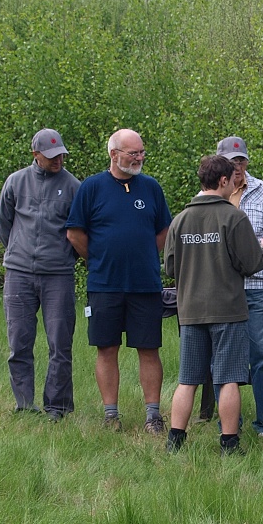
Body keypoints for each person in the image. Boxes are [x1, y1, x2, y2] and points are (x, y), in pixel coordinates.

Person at [66, 128, 173, 435]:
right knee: (106, 347)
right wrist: (99, 259)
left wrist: (141, 254)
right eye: (133, 153)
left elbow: (164, 230)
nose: (139, 158)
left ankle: (153, 416)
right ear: (114, 154)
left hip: (145, 285)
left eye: (141, 153)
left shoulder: (151, 188)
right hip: (105, 284)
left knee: (149, 348)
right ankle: (110, 415)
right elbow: (75, 233)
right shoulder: (92, 187)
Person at [164, 155, 263, 455]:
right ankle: (229, 443)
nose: (235, 184)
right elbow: (250, 263)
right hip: (227, 309)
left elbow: (171, 267)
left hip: (190, 311)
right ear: (223, 181)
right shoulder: (233, 217)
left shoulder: (181, 219)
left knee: (188, 379)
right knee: (228, 379)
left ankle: (175, 440)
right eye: (233, 180)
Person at [0, 129, 81, 420]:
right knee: (19, 341)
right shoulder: (15, 181)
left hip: (58, 274)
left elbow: (80, 232)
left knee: (60, 342)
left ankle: (57, 406)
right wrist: (18, 251)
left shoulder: (73, 186)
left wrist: (61, 256)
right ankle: (24, 404)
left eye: (61, 155)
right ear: (35, 155)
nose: (58, 160)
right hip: (19, 273)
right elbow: (3, 224)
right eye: (51, 156)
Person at [216, 135, 263, 437]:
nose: (237, 167)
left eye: (241, 161)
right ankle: (229, 424)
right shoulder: (211, 193)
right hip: (223, 289)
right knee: (224, 358)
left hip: (259, 287)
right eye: (231, 162)